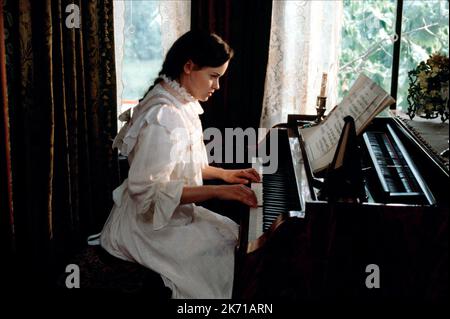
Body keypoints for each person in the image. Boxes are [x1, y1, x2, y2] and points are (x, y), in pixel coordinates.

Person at [100, 30, 260, 299]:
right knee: (220, 260)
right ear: (189, 67)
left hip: (167, 217)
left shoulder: (181, 101)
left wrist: (225, 175)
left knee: (233, 238)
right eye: (213, 76)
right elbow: (147, 193)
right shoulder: (164, 116)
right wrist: (219, 191)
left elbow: (184, 165)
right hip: (144, 228)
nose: (217, 86)